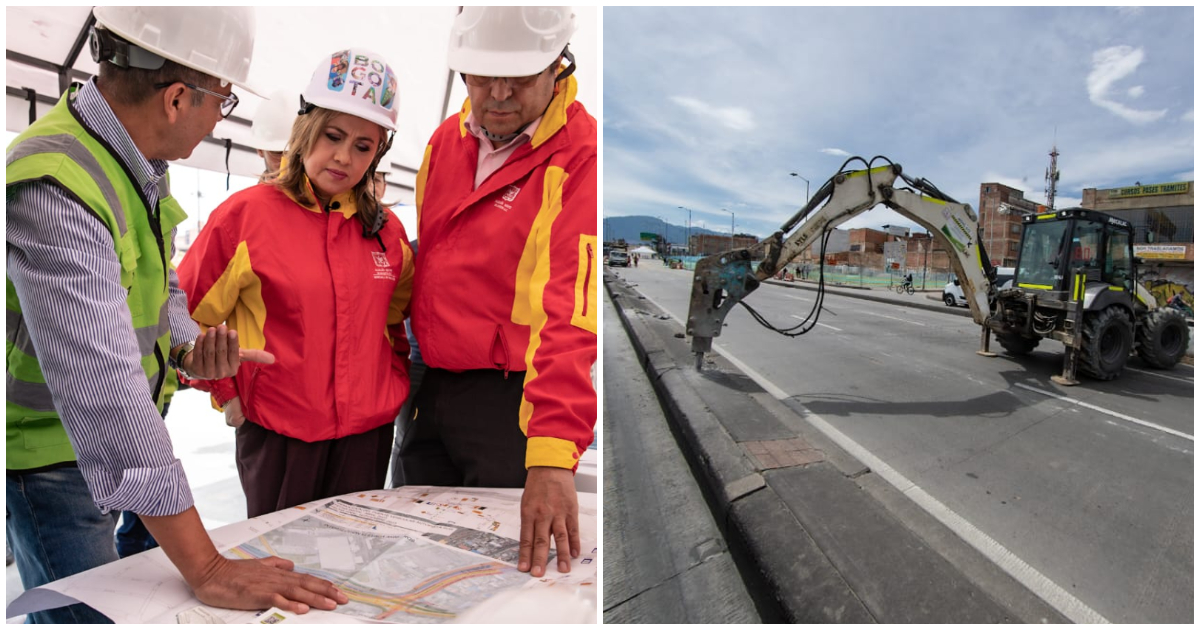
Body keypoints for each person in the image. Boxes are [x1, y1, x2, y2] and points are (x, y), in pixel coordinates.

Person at [5, 6, 346, 622]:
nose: (222, 119)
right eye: (224, 101)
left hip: (115, 445)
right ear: (177, 99)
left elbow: (162, 294)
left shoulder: (134, 164)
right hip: (53, 459)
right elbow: (104, 392)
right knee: (91, 617)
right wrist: (208, 566)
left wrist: (189, 346)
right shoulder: (59, 181)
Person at [178, 48, 414, 519]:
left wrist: (390, 382)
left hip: (366, 438)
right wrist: (228, 394)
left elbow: (394, 326)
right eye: (333, 136)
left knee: (352, 570)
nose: (344, 157)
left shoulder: (387, 232)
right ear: (306, 129)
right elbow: (182, 319)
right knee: (283, 570)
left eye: (363, 146)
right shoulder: (245, 217)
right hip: (280, 436)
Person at [403, 6, 597, 579]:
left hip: (510, 405)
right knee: (415, 554)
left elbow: (571, 308)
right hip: (428, 389)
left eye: (522, 77)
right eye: (485, 77)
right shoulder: (443, 143)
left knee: (498, 577)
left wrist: (552, 451)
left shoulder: (580, 155)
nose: (501, 94)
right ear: (463, 72)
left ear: (558, 67)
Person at [248, 88, 297, 181]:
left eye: (295, 153)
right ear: (260, 150)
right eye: (278, 153)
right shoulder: (248, 196)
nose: (286, 163)